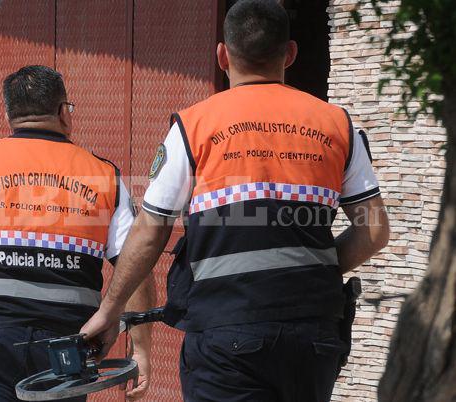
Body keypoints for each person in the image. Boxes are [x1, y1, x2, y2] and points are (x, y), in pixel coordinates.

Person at [80, 1, 391, 401]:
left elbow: (151, 229)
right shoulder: (336, 124)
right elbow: (374, 231)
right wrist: (311, 272)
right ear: (290, 54)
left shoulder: (194, 126)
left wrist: (110, 310)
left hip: (227, 332)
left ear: (222, 56)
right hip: (312, 336)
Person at [0, 65, 155, 402]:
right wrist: (140, 350)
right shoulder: (103, 176)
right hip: (64, 350)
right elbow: (137, 264)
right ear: (64, 113)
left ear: (8, 114)